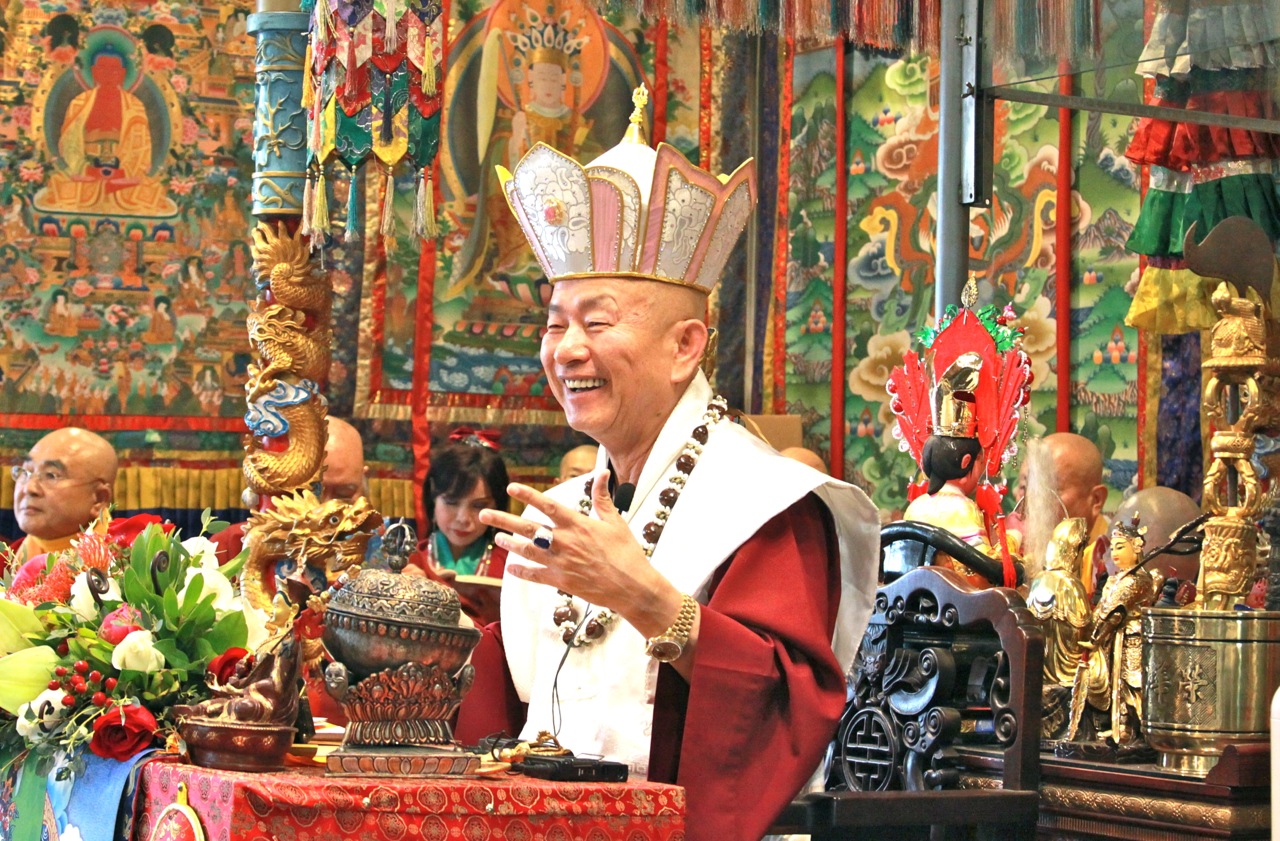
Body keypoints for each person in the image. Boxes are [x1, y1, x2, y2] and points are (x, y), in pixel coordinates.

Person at [454, 86, 880, 841]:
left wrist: (647, 600)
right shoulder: (563, 505)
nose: (567, 350)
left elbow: (788, 705)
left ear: (686, 346)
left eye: (597, 322)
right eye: (555, 324)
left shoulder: (765, 503)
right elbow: (513, 702)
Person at [210, 417, 369, 564]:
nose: (325, 508)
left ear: (363, 480)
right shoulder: (230, 547)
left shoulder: (380, 550)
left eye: (344, 495)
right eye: (309, 495)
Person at [1012, 432, 1110, 594]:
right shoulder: (1012, 551)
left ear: (1096, 499)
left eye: (1048, 490)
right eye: (1024, 487)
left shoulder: (1111, 562)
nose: (1032, 503)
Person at [8, 427, 117, 569]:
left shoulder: (126, 567)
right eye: (25, 472)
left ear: (98, 499)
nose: (29, 488)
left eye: (51, 475)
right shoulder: (7, 562)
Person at [409, 441, 510, 580]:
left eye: (479, 505)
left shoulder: (514, 564)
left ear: (496, 506)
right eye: (452, 502)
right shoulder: (409, 562)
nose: (463, 518)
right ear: (433, 499)